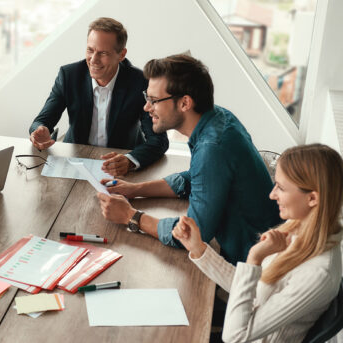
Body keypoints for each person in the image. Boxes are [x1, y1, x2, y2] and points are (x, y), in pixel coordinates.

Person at [97, 54, 281, 264]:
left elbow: (192, 234)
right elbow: (196, 177)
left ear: (185, 103)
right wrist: (135, 189)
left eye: (154, 101)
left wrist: (131, 217)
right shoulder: (219, 118)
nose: (147, 107)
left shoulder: (212, 148)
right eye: (147, 98)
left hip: (247, 263)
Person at [172, 144, 343, 343]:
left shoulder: (317, 273)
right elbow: (250, 290)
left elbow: (235, 336)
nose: (272, 195)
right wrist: (198, 248)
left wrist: (255, 258)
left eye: (281, 187)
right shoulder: (298, 227)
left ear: (312, 198)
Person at [29, 17, 168, 176]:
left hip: (120, 163)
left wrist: (130, 160)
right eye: (90, 50)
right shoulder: (69, 76)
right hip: (74, 160)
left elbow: (159, 141)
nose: (93, 60)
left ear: (121, 54)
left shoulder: (140, 82)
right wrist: (39, 131)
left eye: (103, 53)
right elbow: (40, 121)